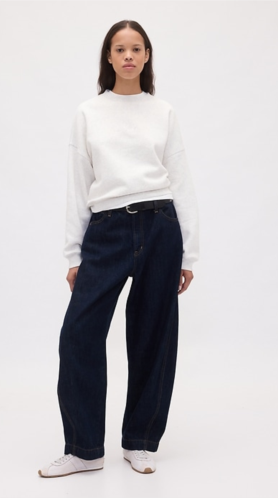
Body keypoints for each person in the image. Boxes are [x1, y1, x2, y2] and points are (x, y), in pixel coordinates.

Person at [39, 19, 200, 478]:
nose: (128, 56)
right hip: (106, 229)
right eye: (119, 48)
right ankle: (84, 449)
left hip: (160, 225)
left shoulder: (163, 111)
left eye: (136, 48)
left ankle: (140, 442)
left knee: (153, 337)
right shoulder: (89, 112)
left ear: (147, 56)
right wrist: (74, 254)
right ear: (108, 58)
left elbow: (180, 180)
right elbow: (78, 182)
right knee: (79, 336)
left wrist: (189, 254)